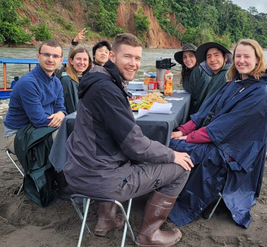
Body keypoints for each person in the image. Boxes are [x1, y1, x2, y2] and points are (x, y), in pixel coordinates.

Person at [63, 33, 194, 245]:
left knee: (129, 151)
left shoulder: (99, 80)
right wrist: (172, 154)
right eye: (128, 57)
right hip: (100, 179)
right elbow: (136, 146)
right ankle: (149, 234)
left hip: (80, 170)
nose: (133, 63)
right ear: (112, 57)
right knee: (182, 167)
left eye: (138, 58)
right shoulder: (106, 89)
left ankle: (105, 220)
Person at [168, 39, 267, 228]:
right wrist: (183, 129)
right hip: (216, 137)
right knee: (170, 140)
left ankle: (173, 203)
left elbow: (226, 128)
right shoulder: (234, 83)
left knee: (180, 147)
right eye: (239, 56)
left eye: (246, 56)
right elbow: (205, 111)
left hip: (233, 150)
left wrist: (189, 137)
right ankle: (166, 191)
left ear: (258, 59)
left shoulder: (260, 93)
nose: (241, 60)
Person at [4, 39, 66, 152]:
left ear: (61, 60)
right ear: (38, 57)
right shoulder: (28, 83)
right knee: (65, 135)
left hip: (41, 128)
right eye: (46, 54)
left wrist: (61, 114)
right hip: (18, 134)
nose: (51, 59)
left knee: (77, 132)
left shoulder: (56, 82)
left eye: (55, 56)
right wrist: (64, 123)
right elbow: (39, 120)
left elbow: (61, 109)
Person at [187, 42, 232, 114]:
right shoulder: (217, 75)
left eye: (216, 55)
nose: (212, 59)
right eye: (209, 57)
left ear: (225, 57)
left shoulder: (225, 76)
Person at [59, 47, 93, 114]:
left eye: (85, 59)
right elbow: (71, 108)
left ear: (89, 62)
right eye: (78, 59)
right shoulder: (66, 80)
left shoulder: (87, 78)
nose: (82, 62)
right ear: (71, 61)